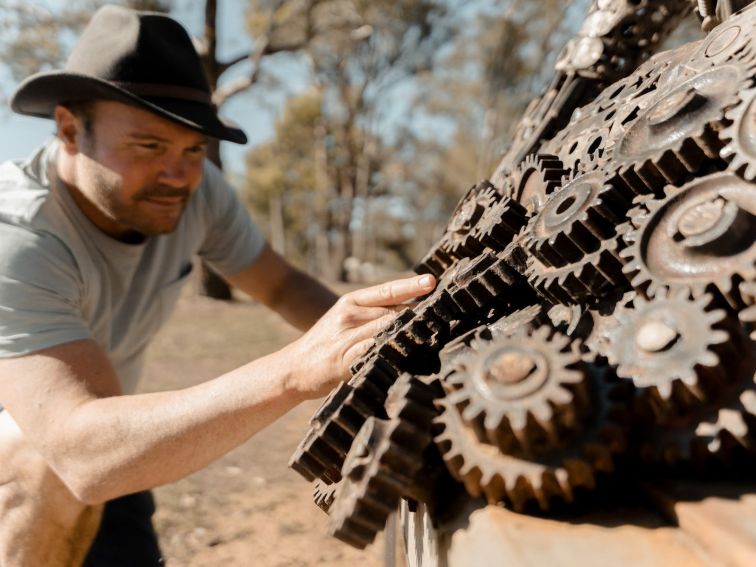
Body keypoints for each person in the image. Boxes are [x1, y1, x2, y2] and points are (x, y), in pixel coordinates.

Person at [0, 6, 435, 566]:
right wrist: (295, 369)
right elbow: (78, 452)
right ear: (67, 129)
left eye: (192, 150)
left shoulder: (196, 196)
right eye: (148, 146)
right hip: (46, 458)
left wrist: (382, 346)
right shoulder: (18, 238)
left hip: (106, 445)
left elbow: (282, 287)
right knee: (43, 462)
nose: (179, 176)